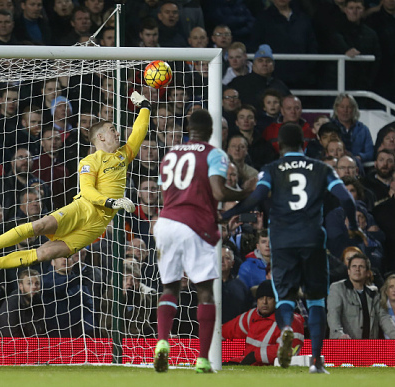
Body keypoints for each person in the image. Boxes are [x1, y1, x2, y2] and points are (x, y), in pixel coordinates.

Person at [222, 123, 360, 373]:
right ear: (305, 144)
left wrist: (229, 213)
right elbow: (345, 198)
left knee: (284, 296)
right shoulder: (321, 168)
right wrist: (351, 225)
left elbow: (255, 197)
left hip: (282, 241)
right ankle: (317, 361)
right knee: (316, 300)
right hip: (313, 239)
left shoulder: (272, 169)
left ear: (279, 145)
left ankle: (285, 329)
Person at [0, 91, 151, 272]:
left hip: (95, 227)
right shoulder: (90, 161)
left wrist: (144, 106)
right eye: (112, 130)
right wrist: (111, 202)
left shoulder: (123, 155)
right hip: (82, 210)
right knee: (39, 226)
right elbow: (87, 191)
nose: (118, 134)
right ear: (100, 136)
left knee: (44, 254)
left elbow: (139, 131)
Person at [152, 109, 256, 373]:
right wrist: (245, 190)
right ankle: (202, 358)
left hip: (165, 223)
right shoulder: (214, 154)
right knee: (206, 292)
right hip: (194, 226)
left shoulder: (171, 154)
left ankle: (163, 342)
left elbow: (169, 192)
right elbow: (219, 190)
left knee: (170, 288)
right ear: (211, 131)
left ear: (189, 128)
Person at [222, 281, 304, 365]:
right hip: (249, 364)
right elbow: (225, 330)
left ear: (277, 300)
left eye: (269, 298)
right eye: (261, 298)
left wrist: (255, 356)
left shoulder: (290, 320)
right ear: (257, 301)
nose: (264, 302)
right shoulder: (252, 315)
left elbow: (289, 349)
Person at [327, 253, 395, 339]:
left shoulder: (373, 292)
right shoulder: (338, 288)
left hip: (369, 346)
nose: (357, 269)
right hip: (344, 346)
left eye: (361, 266)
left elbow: (384, 318)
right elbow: (333, 316)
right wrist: (340, 335)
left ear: (367, 272)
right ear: (348, 271)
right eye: (354, 266)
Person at [0, 268, 45, 337]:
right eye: (29, 283)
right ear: (21, 286)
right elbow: (10, 334)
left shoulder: (38, 301)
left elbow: (39, 330)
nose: (34, 287)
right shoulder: (12, 303)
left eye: (37, 283)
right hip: (3, 344)